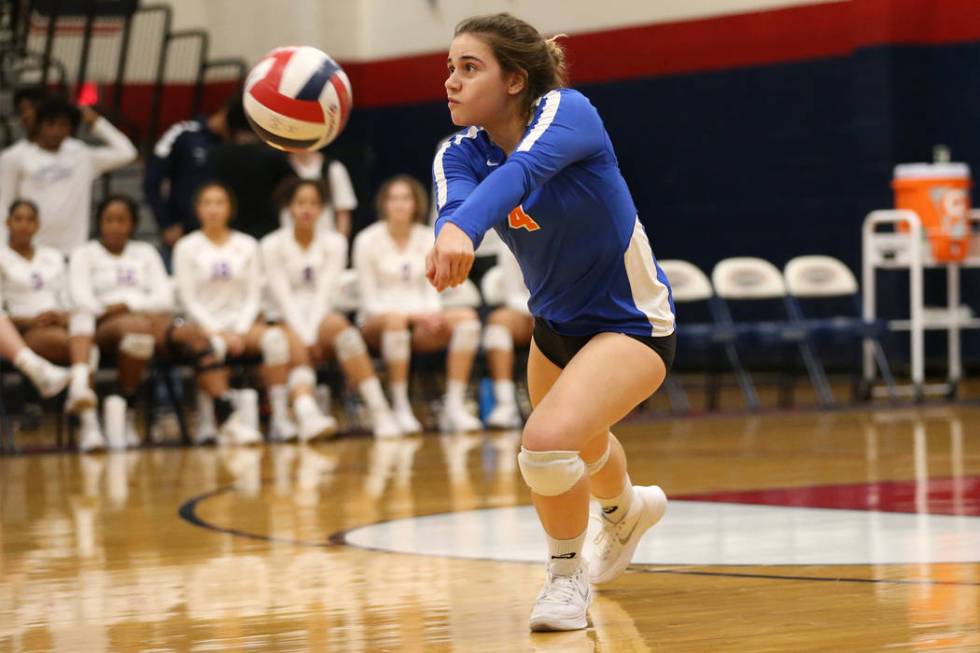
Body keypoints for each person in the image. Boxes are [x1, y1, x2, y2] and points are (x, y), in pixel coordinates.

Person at [428, 14, 676, 631]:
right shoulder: (459, 150)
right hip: (555, 328)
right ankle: (624, 510)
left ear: (514, 79)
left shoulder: (569, 113)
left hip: (632, 325)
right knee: (581, 442)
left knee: (544, 443)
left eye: (469, 67)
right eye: (449, 69)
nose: (451, 83)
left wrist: (465, 230)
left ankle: (566, 580)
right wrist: (449, 228)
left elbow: (521, 175)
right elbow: (454, 203)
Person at [70, 195, 255, 449]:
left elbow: (164, 299)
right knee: (135, 333)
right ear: (99, 223)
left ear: (133, 224)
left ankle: (225, 413)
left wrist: (128, 305)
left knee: (193, 334)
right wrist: (120, 310)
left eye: (122, 220)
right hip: (105, 326)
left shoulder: (145, 252)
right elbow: (83, 301)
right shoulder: (85, 254)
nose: (115, 226)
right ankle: (127, 410)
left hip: (150, 321)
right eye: (109, 220)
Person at [173, 182, 336, 443]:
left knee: (275, 340)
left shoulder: (247, 245)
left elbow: (253, 296)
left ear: (230, 209)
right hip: (204, 326)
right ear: (197, 209)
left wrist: (238, 330)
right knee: (209, 345)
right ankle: (215, 420)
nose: (213, 209)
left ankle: (281, 419)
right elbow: (188, 299)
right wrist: (216, 330)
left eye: (219, 203)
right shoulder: (186, 247)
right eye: (207, 203)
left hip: (242, 324)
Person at [262, 178, 401, 438]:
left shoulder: (335, 242)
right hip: (285, 317)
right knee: (288, 341)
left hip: (320, 315)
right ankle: (304, 414)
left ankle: (379, 411)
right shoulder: (271, 245)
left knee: (342, 330)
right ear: (289, 207)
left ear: (322, 209)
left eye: (314, 203)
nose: (307, 209)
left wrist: (312, 334)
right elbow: (283, 297)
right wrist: (304, 338)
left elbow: (325, 293)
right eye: (301, 203)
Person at [353, 174, 483, 434]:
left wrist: (432, 315)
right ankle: (400, 407)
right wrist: (413, 317)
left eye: (405, 198)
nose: (399, 205)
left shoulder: (428, 236)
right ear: (384, 204)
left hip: (422, 320)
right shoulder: (367, 240)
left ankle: (454, 407)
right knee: (395, 322)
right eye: (393, 199)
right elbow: (370, 302)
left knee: (467, 320)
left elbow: (432, 288)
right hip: (379, 323)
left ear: (416, 203)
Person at [0, 199, 102, 448]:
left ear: (38, 225)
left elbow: (70, 299)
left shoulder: (53, 256)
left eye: (30, 220)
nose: (24, 225)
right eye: (18, 219)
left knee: (85, 316)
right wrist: (28, 320)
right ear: (7, 223)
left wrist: (61, 316)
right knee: (87, 351)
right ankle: (89, 426)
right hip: (21, 331)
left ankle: (77, 389)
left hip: (57, 324)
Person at [0, 97, 137, 254]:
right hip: (32, 250)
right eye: (50, 124)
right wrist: (3, 249)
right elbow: (3, 206)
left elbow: (127, 152)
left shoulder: (80, 154)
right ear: (39, 125)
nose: (56, 131)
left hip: (73, 251)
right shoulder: (15, 156)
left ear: (71, 129)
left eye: (63, 125)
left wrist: (97, 123)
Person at [143, 99, 230, 258]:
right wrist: (166, 224)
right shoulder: (184, 133)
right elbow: (152, 180)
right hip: (181, 233)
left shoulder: (232, 144)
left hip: (221, 234)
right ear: (224, 114)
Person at [208, 99, 294, 240]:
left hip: (230, 231)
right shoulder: (274, 155)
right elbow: (293, 187)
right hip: (266, 231)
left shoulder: (217, 155)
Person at [482, 243, 532, 429]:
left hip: (564, 310)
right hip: (530, 309)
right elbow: (513, 295)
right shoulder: (510, 241)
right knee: (498, 323)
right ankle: (505, 404)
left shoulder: (565, 232)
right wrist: (538, 310)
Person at [281, 149, 358, 238]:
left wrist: (339, 243)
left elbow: (343, 213)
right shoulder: (279, 166)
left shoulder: (333, 168)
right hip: (288, 243)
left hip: (325, 242)